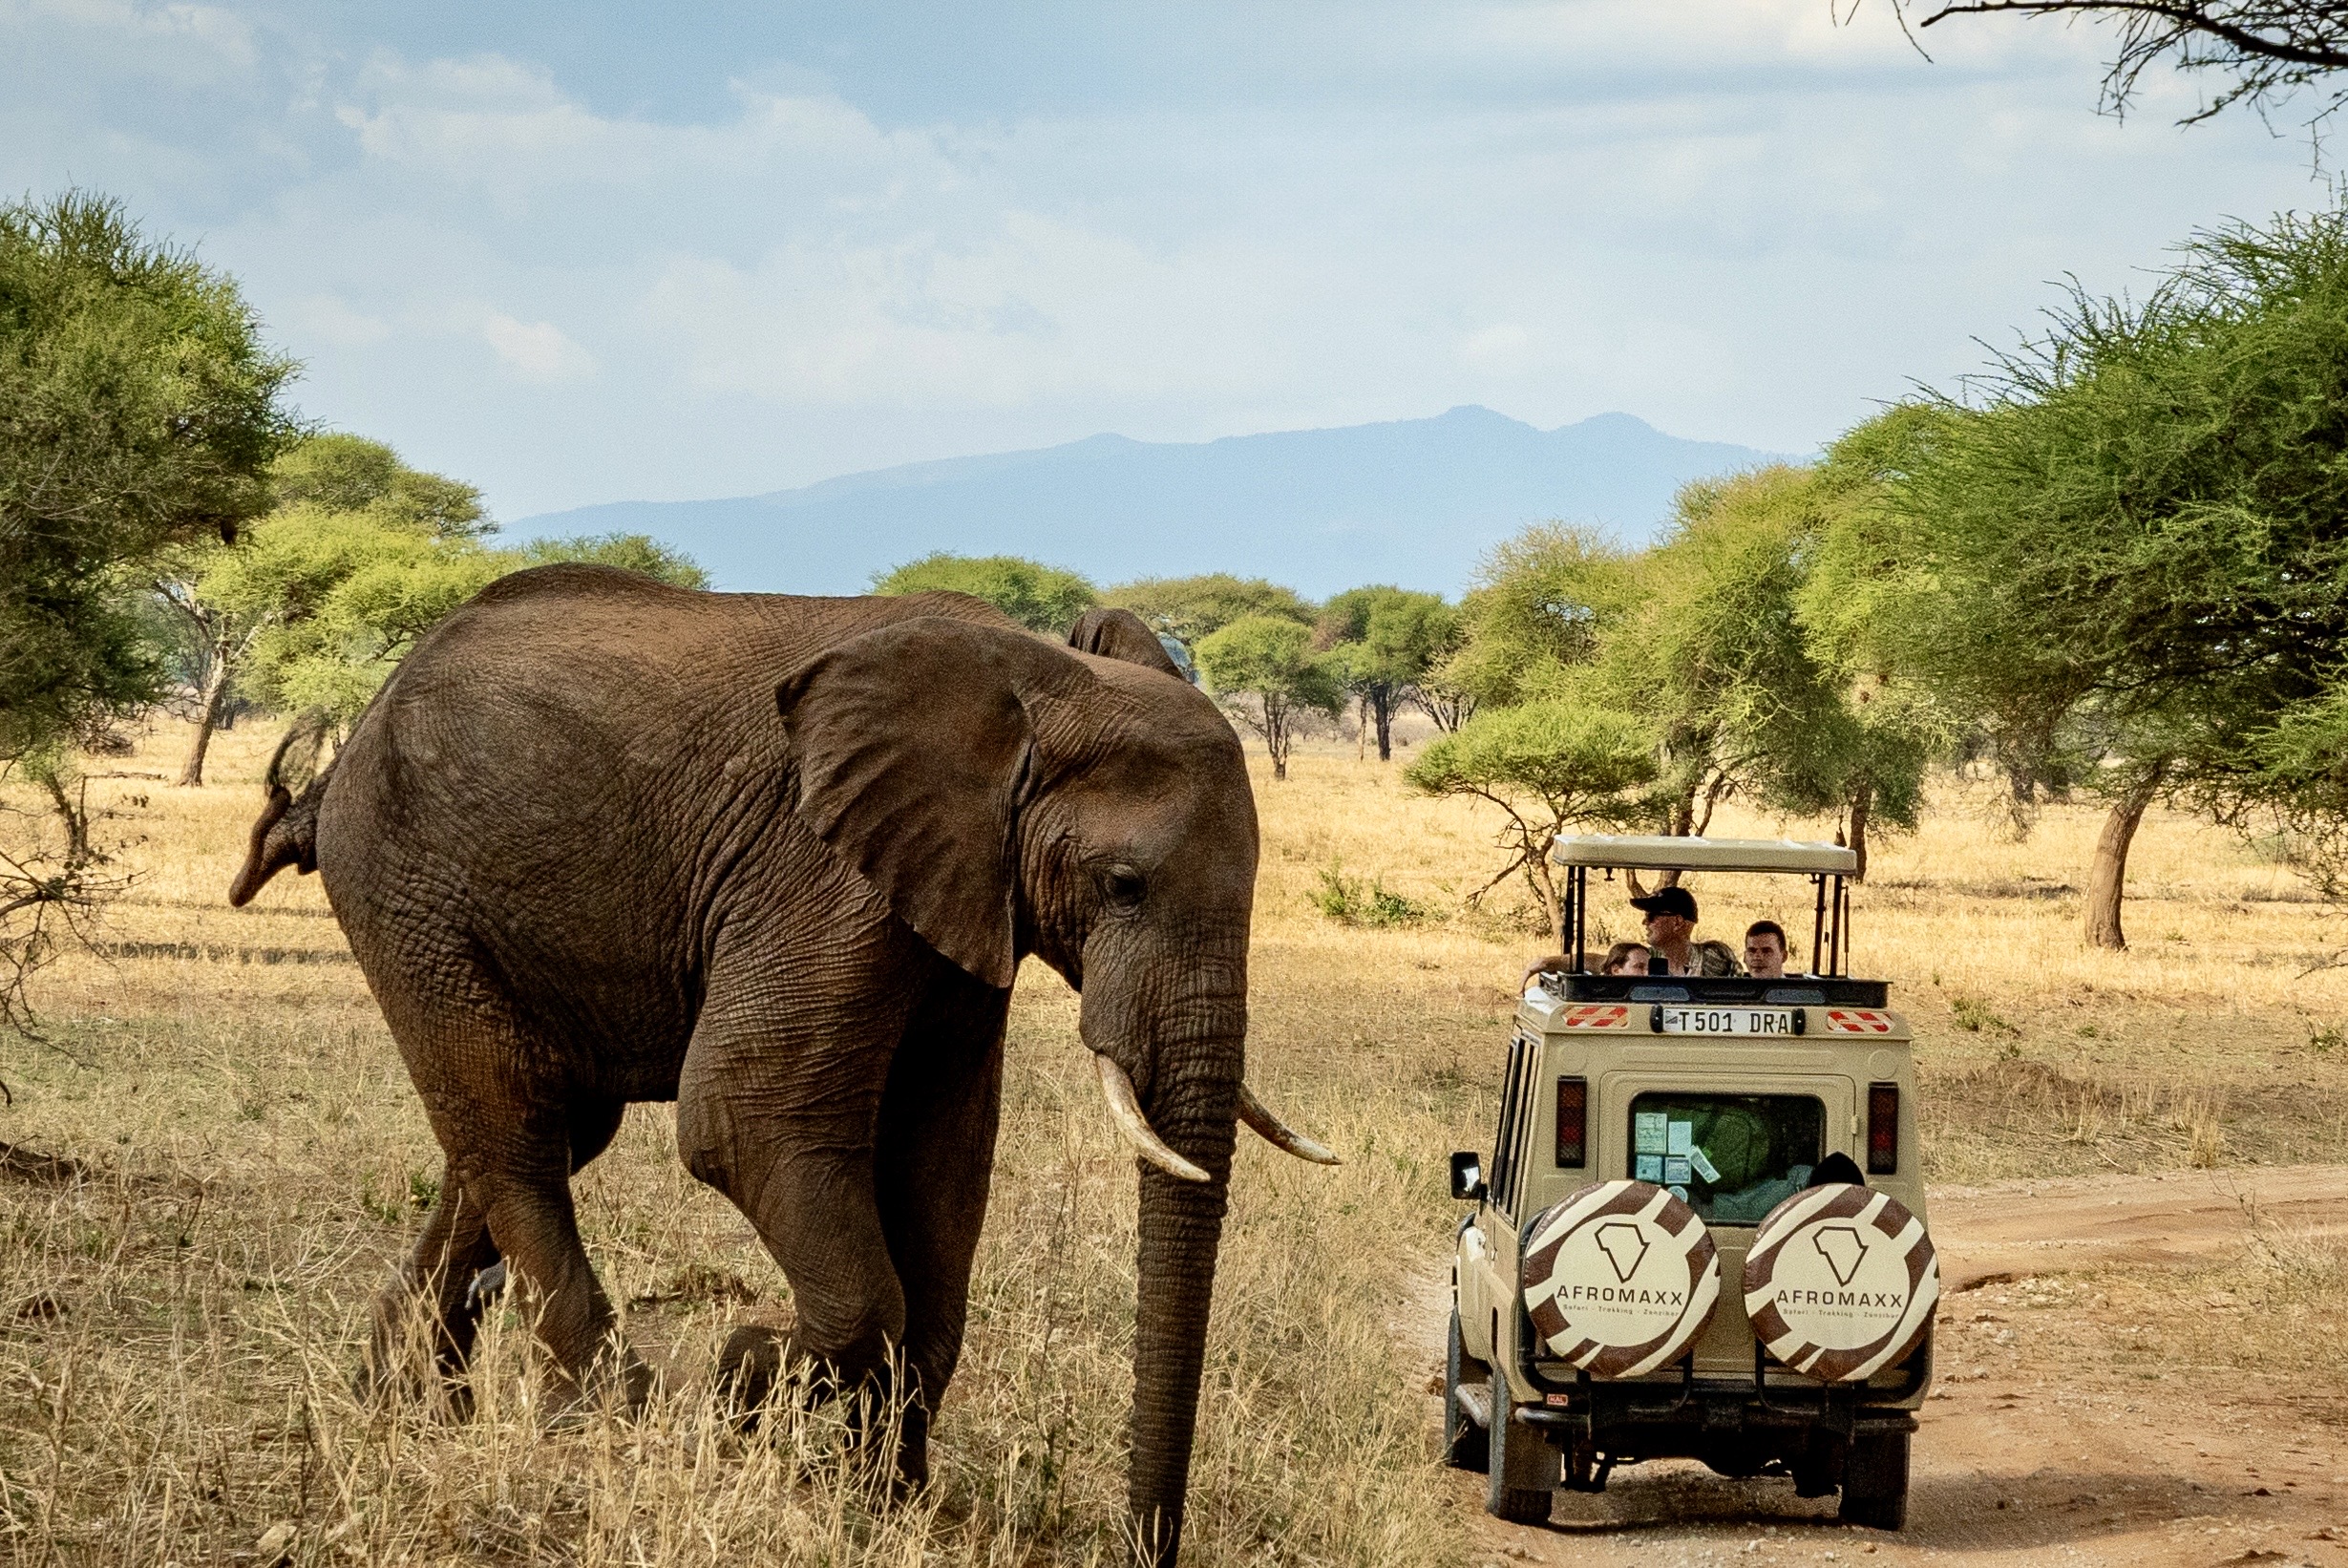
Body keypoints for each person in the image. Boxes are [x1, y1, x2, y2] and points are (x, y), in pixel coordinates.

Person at [1629, 885, 1741, 977]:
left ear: (1677, 922)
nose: (1644, 922)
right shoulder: (1642, 961)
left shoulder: (1716, 958)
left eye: (1651, 916)